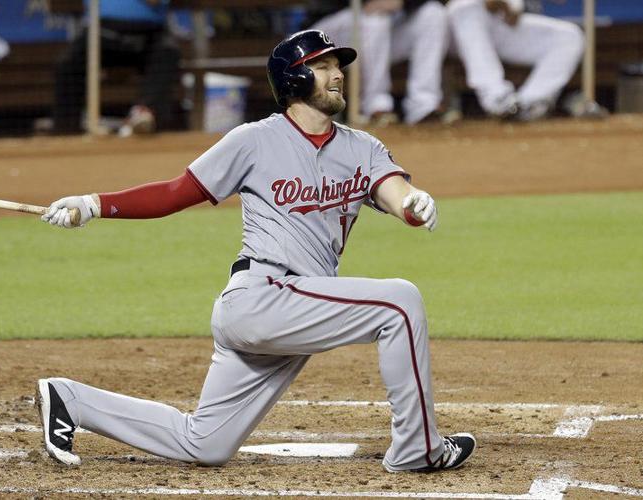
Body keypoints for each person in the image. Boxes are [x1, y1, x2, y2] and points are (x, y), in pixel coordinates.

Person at [36, 29, 476, 473]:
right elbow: (174, 193)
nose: (336, 74)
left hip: (295, 310)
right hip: (262, 296)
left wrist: (415, 204)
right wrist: (94, 204)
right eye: (321, 66)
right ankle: (419, 449)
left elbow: (396, 194)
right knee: (400, 302)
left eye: (336, 65)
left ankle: (71, 399)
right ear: (293, 79)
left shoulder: (363, 148)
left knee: (205, 443)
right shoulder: (253, 140)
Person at [311, 0, 449, 125]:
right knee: (375, 19)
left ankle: (424, 105)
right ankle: (376, 107)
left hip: (387, 25)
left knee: (433, 12)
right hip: (331, 29)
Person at [52, 0, 180, 135]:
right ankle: (65, 128)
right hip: (101, 31)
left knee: (167, 52)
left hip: (148, 33)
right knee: (68, 62)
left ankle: (144, 114)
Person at [447, 0, 585, 120]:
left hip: (500, 21)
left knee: (569, 36)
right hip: (454, 28)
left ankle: (529, 103)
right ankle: (497, 98)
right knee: (467, 7)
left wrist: (511, 6)